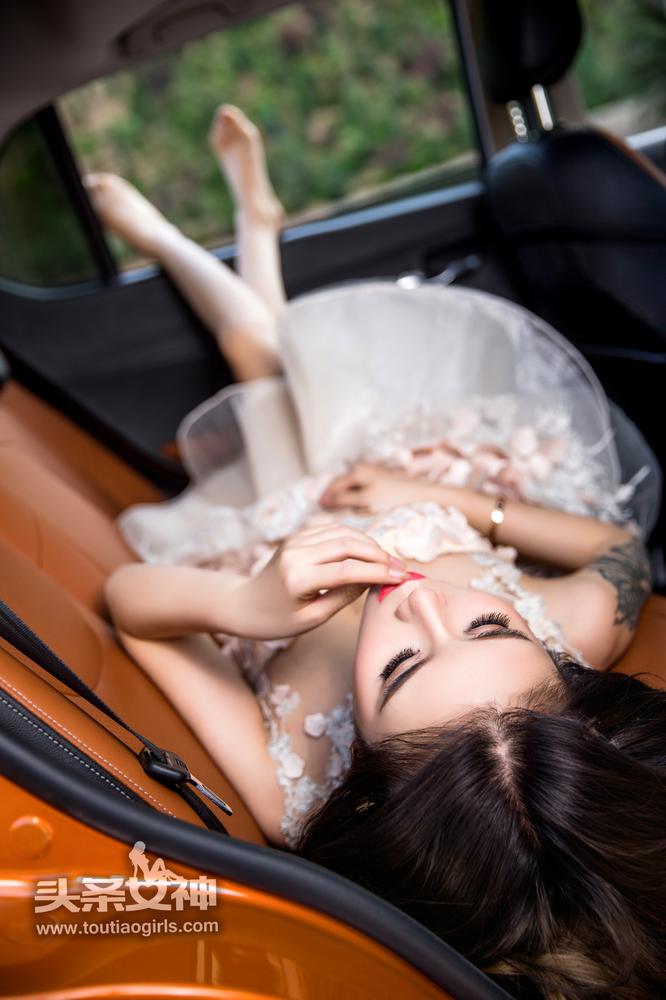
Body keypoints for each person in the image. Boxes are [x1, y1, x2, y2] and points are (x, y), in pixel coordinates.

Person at [96, 106, 665, 998]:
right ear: (557, 667)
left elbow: (131, 604)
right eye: (489, 625)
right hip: (416, 474)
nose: (420, 599)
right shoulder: (581, 627)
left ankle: (222, 231)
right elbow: (621, 546)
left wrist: (246, 606)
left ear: (366, 780)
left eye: (399, 668)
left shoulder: (294, 792)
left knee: (265, 366)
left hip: (281, 530)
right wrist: (453, 501)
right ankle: (238, 229)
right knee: (274, 365)